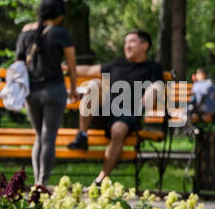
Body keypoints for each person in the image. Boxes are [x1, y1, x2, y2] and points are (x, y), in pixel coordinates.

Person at [67, 29, 164, 187]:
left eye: (131, 41)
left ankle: (101, 179)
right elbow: (90, 71)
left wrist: (146, 100)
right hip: (103, 112)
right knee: (94, 83)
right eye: (125, 42)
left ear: (145, 45)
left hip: (127, 115)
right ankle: (82, 135)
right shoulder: (117, 63)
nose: (127, 46)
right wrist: (66, 67)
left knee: (119, 130)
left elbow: (156, 87)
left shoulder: (152, 68)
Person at [14, 0, 78, 189]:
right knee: (49, 136)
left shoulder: (25, 32)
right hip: (54, 90)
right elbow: (72, 65)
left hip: (31, 92)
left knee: (38, 136)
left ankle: (36, 181)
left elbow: (18, 61)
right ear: (59, 15)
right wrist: (73, 88)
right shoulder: (61, 33)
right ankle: (42, 181)